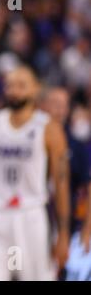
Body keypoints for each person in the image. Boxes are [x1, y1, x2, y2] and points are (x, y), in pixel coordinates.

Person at [0, 66, 70, 280]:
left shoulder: (49, 128)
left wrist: (63, 234)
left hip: (31, 216)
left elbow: (61, 185)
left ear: (35, 90)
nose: (14, 91)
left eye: (21, 85)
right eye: (10, 85)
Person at [42, 88, 91, 254]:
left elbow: (88, 187)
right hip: (31, 218)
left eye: (63, 106)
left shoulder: (77, 146)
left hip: (66, 225)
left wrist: (87, 229)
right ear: (44, 107)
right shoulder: (31, 139)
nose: (59, 111)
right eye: (54, 104)